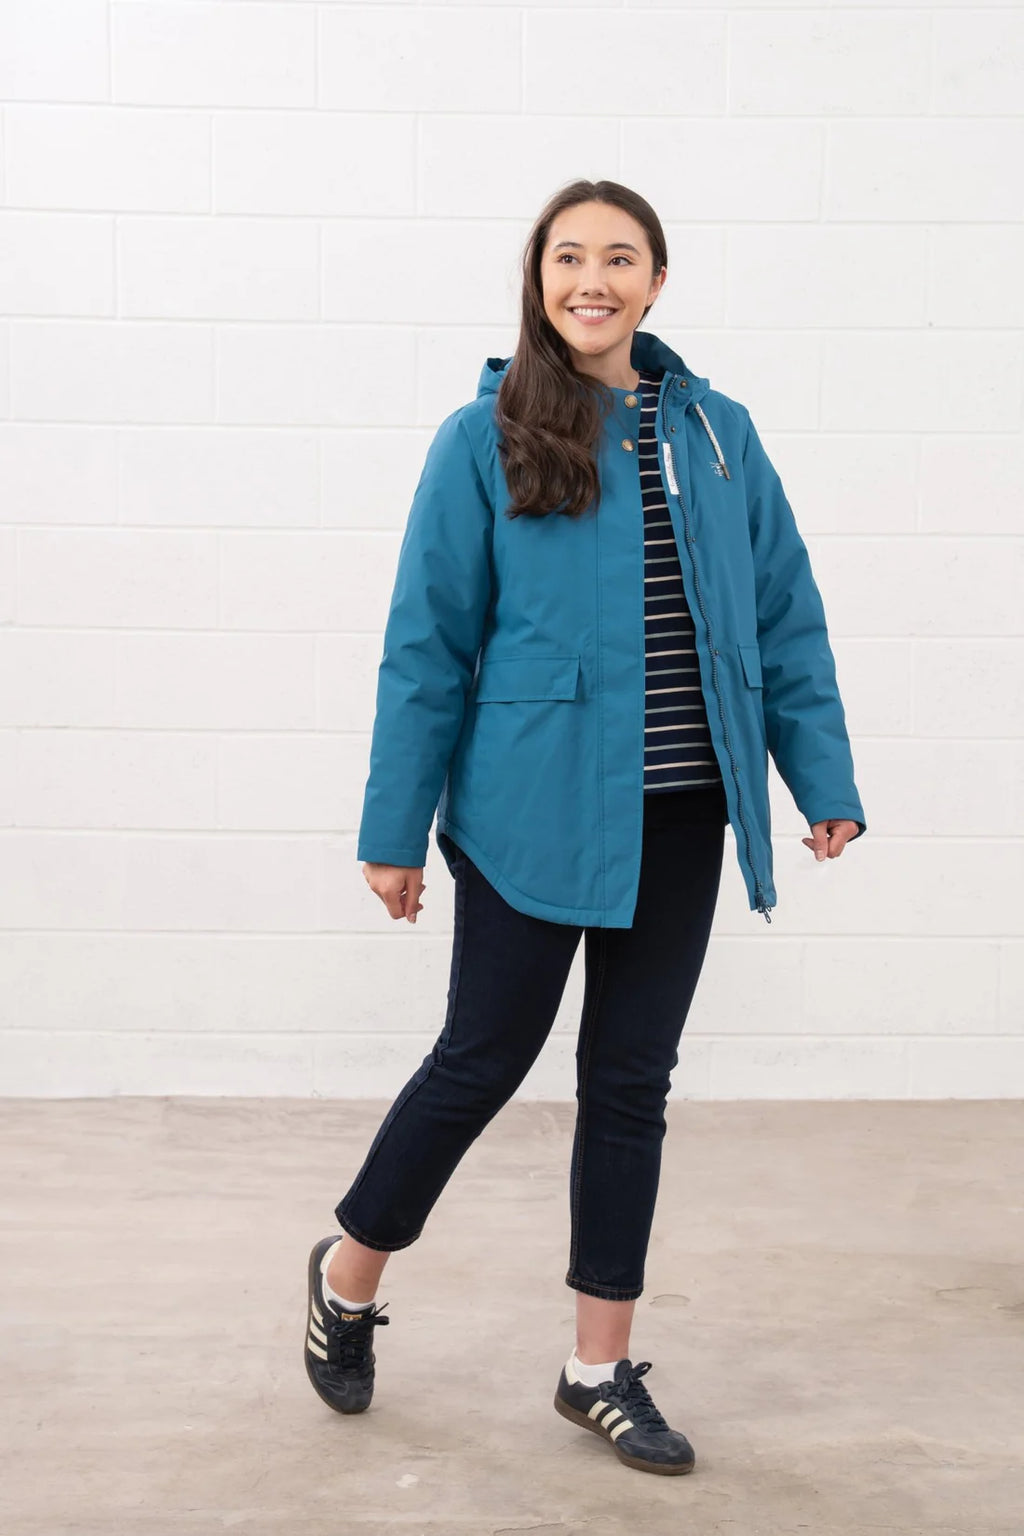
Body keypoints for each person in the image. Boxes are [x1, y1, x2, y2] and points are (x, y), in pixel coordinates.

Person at [303, 179, 866, 1476]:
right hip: (528, 809)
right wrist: (394, 830)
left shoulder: (719, 435)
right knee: (481, 1058)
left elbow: (783, 617)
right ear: (540, 280)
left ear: (658, 282)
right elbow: (426, 647)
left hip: (683, 815)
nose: (593, 279)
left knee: (630, 1084)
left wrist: (817, 777)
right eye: (570, 258)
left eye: (621, 257)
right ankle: (345, 1274)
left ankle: (598, 1367)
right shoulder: (483, 437)